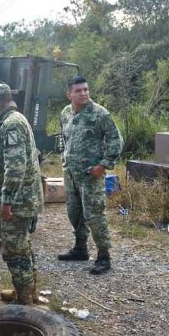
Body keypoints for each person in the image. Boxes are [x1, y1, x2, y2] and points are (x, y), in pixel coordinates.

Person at [0, 83, 44, 305]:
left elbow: (15, 166)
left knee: (15, 251)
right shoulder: (9, 122)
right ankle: (27, 291)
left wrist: (7, 201)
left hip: (17, 201)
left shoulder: (11, 124)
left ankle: (25, 299)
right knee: (22, 246)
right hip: (20, 199)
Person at [57, 75, 123, 275]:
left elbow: (116, 141)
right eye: (78, 90)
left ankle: (104, 257)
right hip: (71, 174)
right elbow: (63, 137)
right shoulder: (66, 113)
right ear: (69, 94)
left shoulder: (99, 114)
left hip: (91, 176)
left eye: (86, 89)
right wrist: (64, 157)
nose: (84, 93)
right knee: (74, 213)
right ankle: (80, 249)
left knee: (95, 216)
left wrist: (103, 165)